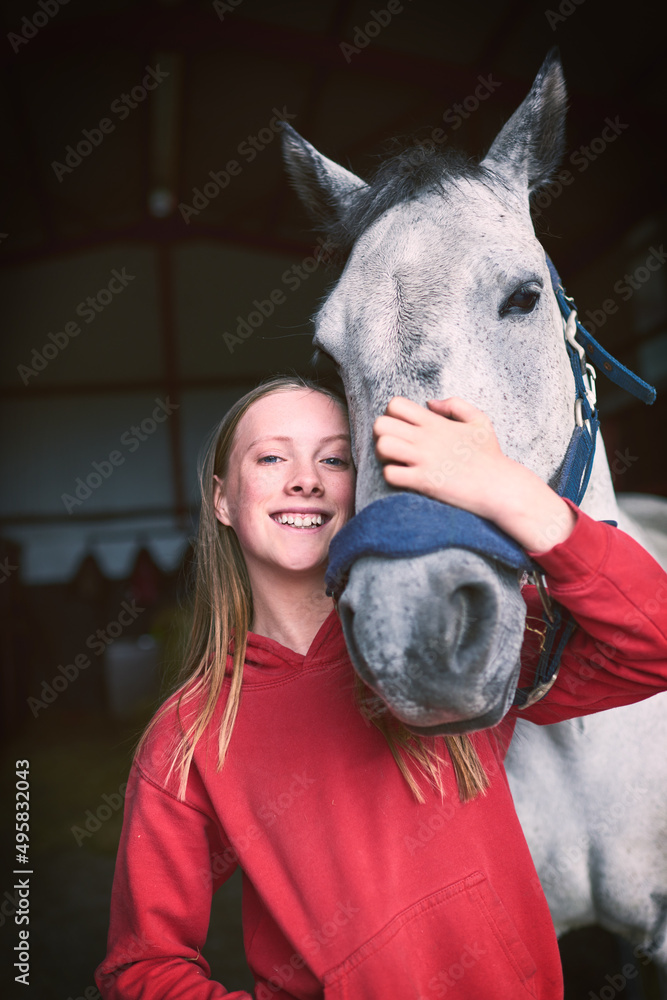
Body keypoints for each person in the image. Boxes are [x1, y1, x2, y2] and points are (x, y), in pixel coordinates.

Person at [96, 374, 667, 1000]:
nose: (306, 478)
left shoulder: (447, 644)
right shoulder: (190, 733)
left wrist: (512, 493)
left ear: (364, 484)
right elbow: (144, 965)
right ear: (222, 501)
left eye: (335, 458)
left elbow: (650, 645)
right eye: (271, 457)